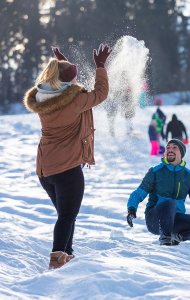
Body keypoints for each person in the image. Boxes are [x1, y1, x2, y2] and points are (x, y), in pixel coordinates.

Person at [23, 44, 112, 268]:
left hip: (45, 171)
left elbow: (64, 86)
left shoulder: (44, 97)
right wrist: (100, 66)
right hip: (66, 170)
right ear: (66, 83)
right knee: (66, 216)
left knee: (66, 215)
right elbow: (100, 94)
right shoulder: (74, 102)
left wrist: (64, 66)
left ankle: (67, 254)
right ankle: (57, 258)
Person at [126, 139, 190, 245]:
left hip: (175, 219)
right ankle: (165, 239)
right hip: (155, 219)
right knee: (170, 203)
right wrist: (131, 209)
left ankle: (176, 238)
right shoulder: (155, 171)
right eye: (168, 148)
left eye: (174, 147)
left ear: (181, 153)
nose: (170, 150)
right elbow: (138, 193)